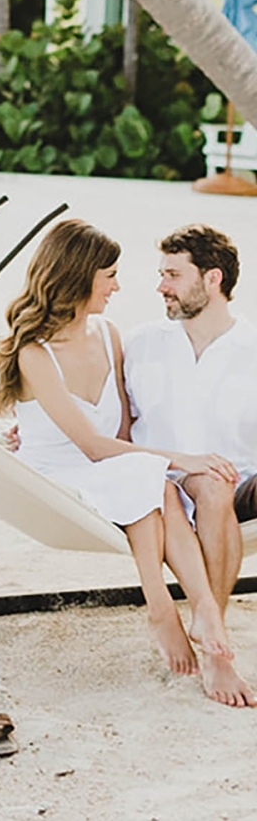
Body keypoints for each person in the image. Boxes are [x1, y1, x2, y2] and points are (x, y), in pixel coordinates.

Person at [0, 219, 250, 708]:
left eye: (169, 274)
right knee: (153, 478)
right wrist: (179, 458)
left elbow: (124, 427)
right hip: (71, 471)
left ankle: (203, 615)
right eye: (109, 275)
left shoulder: (110, 334)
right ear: (77, 276)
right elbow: (91, 442)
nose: (121, 286)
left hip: (130, 466)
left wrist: (159, 463)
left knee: (161, 483)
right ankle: (165, 608)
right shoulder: (41, 351)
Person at [124, 225, 257, 662]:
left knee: (218, 483)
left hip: (242, 485)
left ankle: (208, 622)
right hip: (158, 486)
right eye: (162, 274)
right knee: (208, 482)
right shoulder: (142, 343)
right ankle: (215, 638)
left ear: (213, 279)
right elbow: (105, 415)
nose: (161, 286)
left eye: (174, 275)